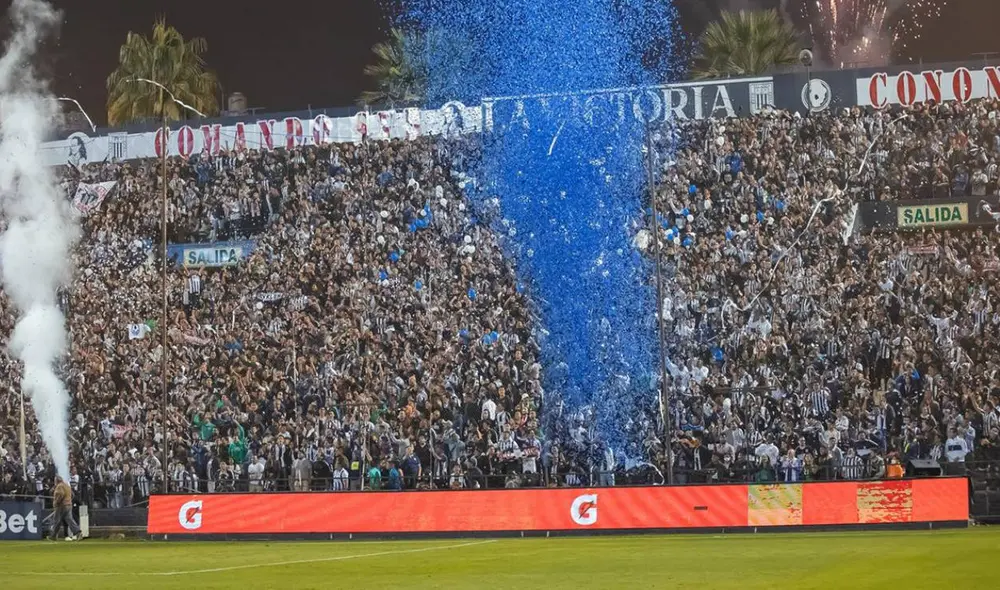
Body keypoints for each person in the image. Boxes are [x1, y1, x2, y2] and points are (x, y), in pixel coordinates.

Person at [51, 475, 81, 541]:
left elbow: (60, 494)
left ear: (56, 481)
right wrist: (69, 500)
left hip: (62, 505)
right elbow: (72, 495)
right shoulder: (67, 486)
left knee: (57, 520)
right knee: (70, 520)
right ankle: (77, 532)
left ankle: (53, 535)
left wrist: (56, 502)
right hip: (69, 505)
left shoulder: (60, 486)